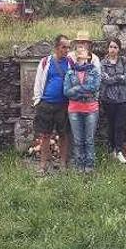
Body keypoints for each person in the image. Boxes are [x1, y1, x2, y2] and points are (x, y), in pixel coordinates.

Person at [32, 35, 74, 174]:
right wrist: (38, 100)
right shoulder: (45, 62)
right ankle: (43, 164)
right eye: (64, 47)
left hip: (64, 104)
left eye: (68, 47)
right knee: (45, 135)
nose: (66, 50)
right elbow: (38, 81)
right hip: (46, 103)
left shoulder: (70, 63)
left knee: (64, 135)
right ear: (56, 47)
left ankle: (62, 163)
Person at [64, 36, 101, 173]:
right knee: (78, 139)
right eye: (78, 48)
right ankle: (79, 165)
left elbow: (95, 87)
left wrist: (77, 90)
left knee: (89, 139)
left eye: (83, 49)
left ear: (88, 55)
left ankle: (89, 165)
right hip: (74, 109)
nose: (80, 51)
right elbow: (66, 92)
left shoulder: (94, 70)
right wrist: (84, 90)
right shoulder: (70, 72)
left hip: (91, 108)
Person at [100, 38, 126, 163]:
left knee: (120, 125)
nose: (113, 49)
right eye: (111, 47)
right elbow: (105, 80)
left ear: (119, 49)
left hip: (123, 98)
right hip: (108, 98)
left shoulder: (124, 61)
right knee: (111, 124)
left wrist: (114, 78)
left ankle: (119, 151)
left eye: (115, 47)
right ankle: (111, 150)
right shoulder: (103, 63)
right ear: (107, 48)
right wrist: (120, 77)